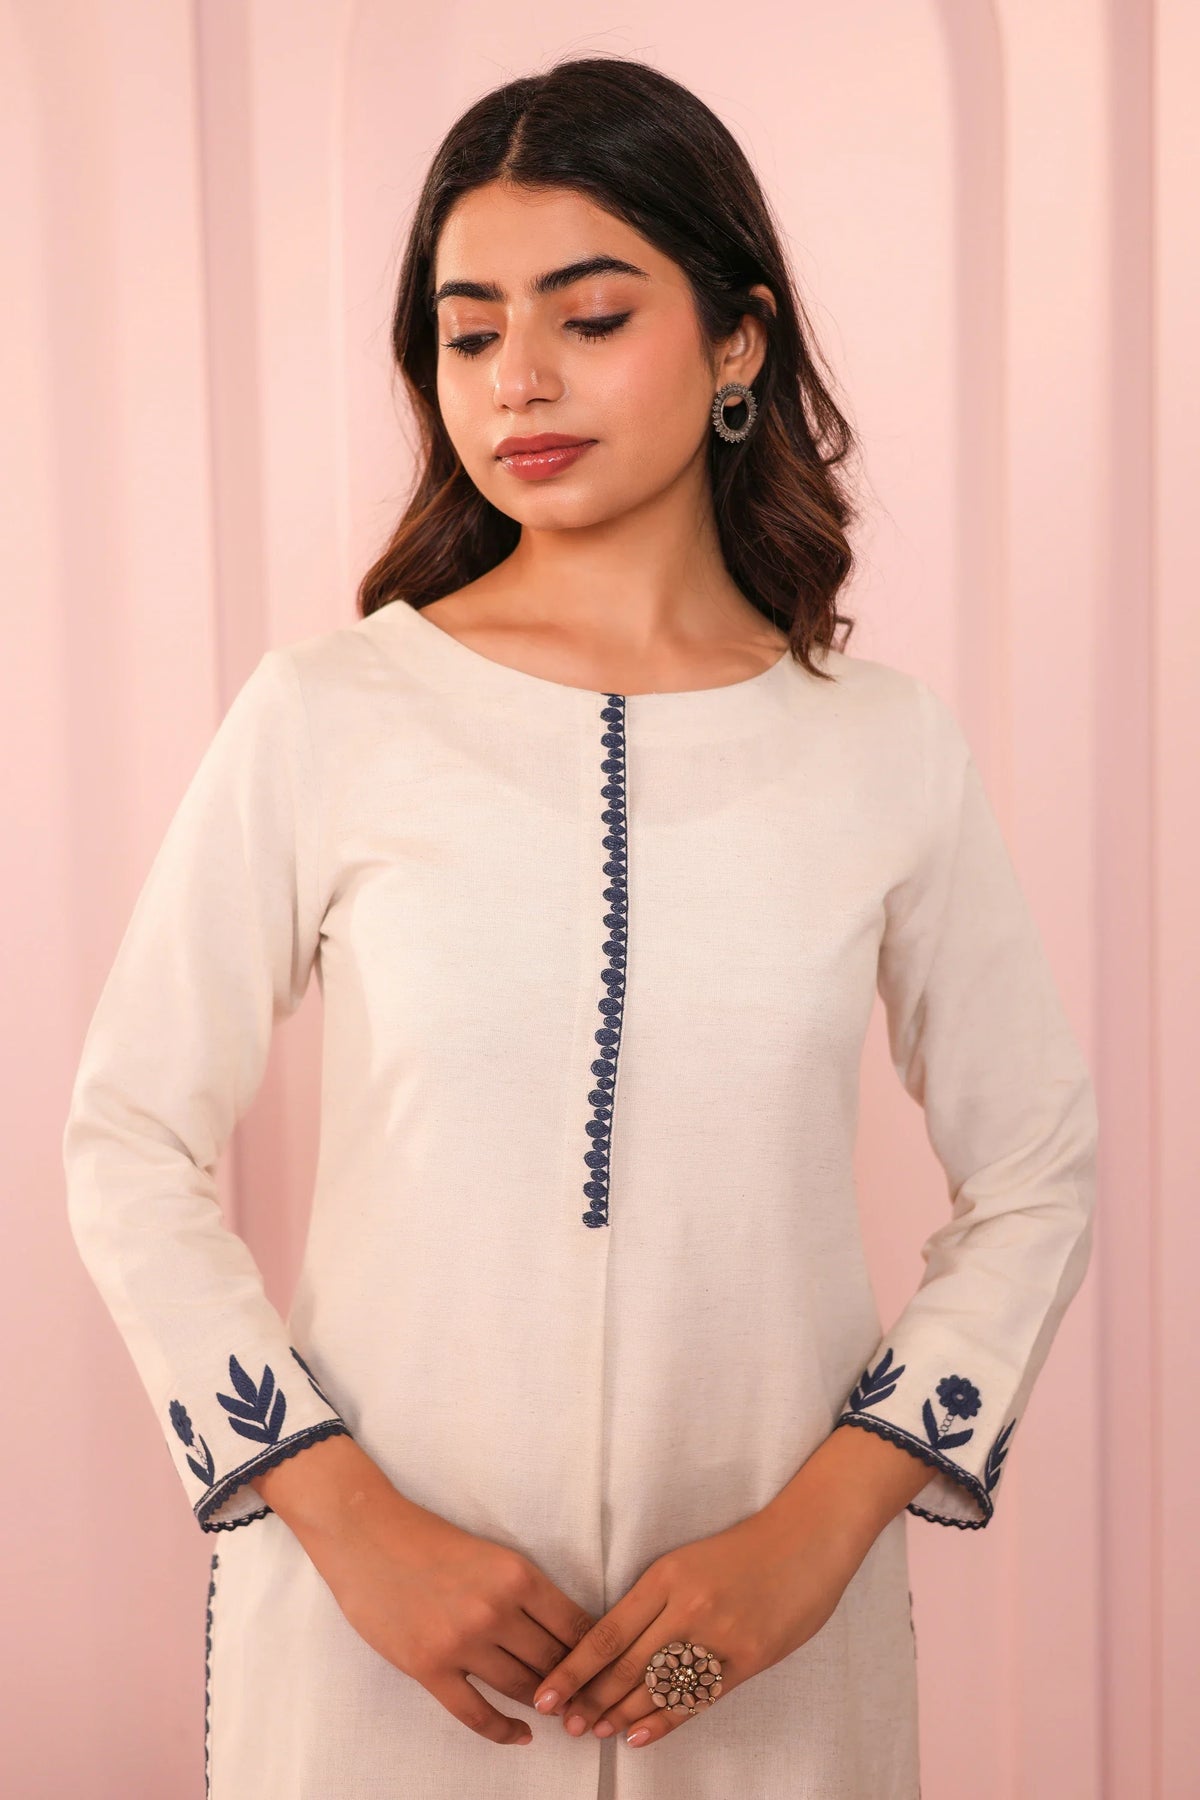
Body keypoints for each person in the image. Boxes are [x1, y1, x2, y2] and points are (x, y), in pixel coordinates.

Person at [62, 53, 1099, 1800]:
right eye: (468, 334)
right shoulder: (331, 714)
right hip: (383, 1660)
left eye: (590, 316)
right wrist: (345, 1516)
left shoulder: (884, 750)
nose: (518, 379)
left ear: (738, 341)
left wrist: (821, 1532)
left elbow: (1039, 1167)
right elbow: (125, 1137)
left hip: (772, 1675)